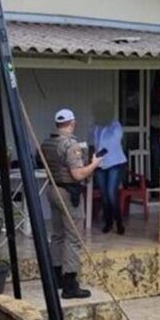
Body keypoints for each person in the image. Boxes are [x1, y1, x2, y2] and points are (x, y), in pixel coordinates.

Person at [41, 108, 103, 299]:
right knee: (74, 238)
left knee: (58, 235)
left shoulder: (47, 143)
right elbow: (77, 175)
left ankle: (56, 276)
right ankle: (70, 284)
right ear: (72, 123)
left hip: (52, 189)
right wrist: (94, 164)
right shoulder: (70, 145)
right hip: (68, 192)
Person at [90, 118, 127, 234]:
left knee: (111, 193)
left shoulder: (115, 126)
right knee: (104, 195)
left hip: (114, 163)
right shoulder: (95, 127)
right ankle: (108, 222)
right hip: (100, 164)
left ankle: (119, 222)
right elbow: (93, 144)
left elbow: (114, 142)